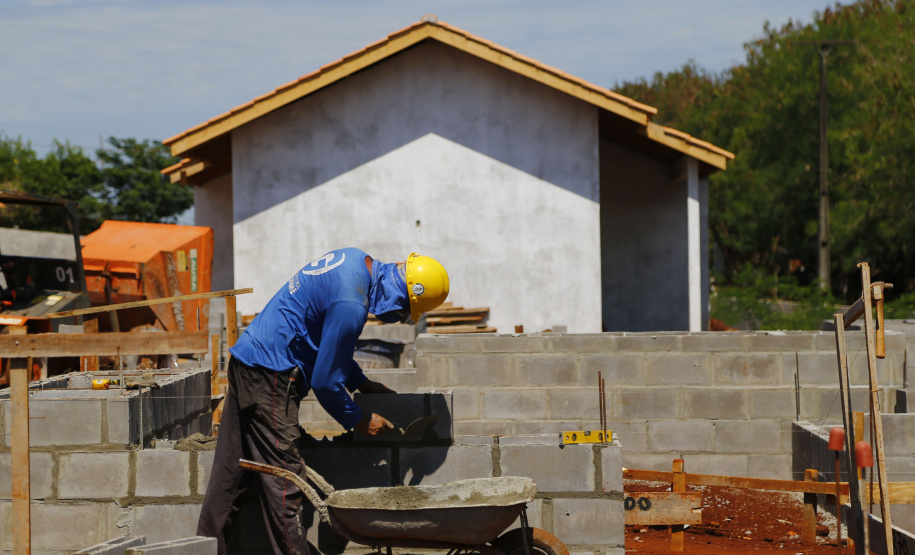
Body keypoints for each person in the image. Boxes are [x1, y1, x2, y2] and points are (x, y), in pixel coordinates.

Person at [197, 247, 449, 555]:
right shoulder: (352, 305)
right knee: (286, 481)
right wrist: (359, 419)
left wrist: (360, 381)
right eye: (405, 312)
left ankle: (205, 548)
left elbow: (326, 341)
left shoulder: (356, 262)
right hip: (272, 375)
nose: (396, 318)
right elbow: (325, 383)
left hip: (248, 360)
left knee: (229, 472)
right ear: (402, 299)